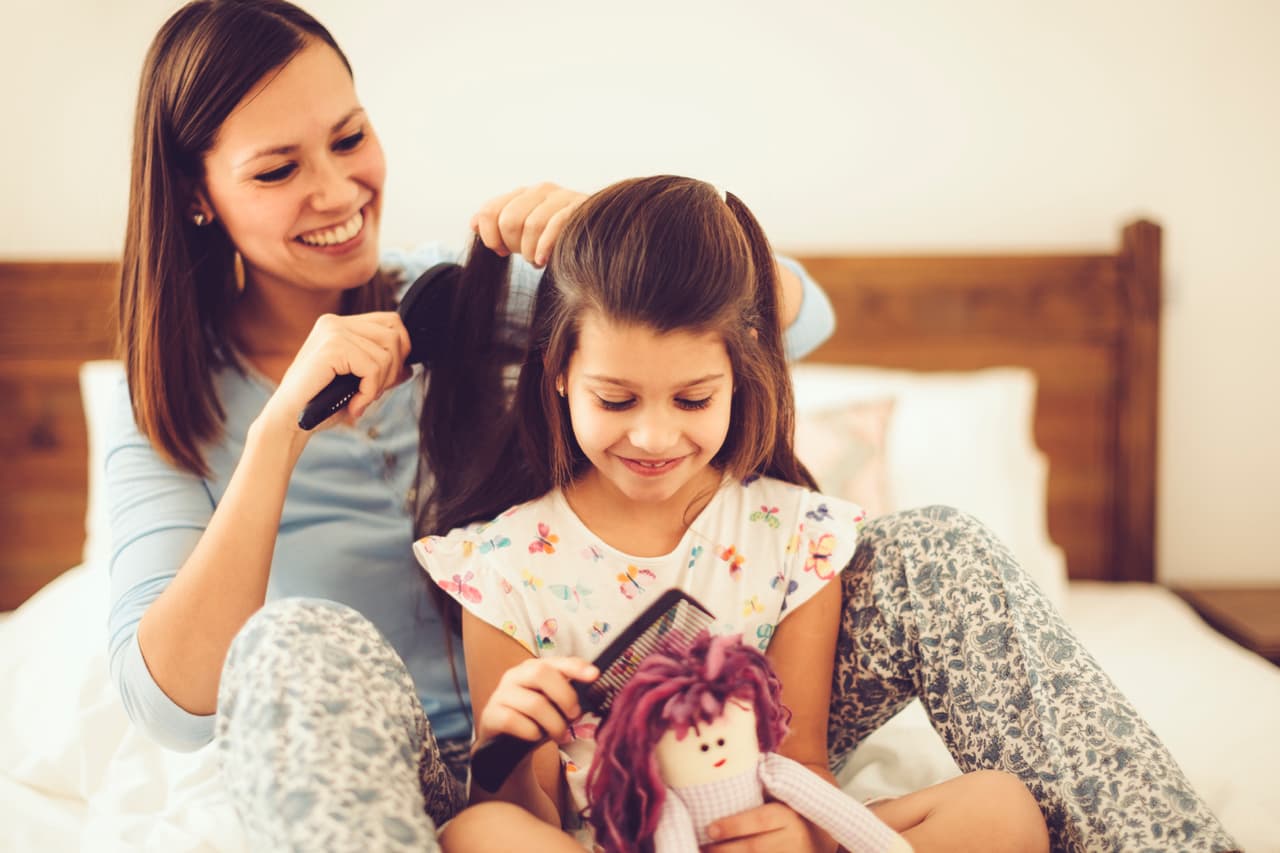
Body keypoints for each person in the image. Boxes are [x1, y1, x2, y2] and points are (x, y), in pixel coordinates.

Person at [107, 1, 836, 850]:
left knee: (929, 552)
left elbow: (798, 314)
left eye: (349, 139)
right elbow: (170, 705)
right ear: (197, 193)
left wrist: (613, 235)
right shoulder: (169, 397)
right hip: (377, 769)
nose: (338, 191)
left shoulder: (467, 294)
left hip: (598, 749)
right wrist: (279, 434)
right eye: (277, 171)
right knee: (291, 637)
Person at [415, 175, 1050, 852]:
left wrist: (800, 834)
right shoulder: (501, 566)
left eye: (691, 400)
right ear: (560, 373)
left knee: (1000, 810)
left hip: (747, 833)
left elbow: (801, 760)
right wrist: (503, 744)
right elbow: (531, 818)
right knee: (480, 832)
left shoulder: (794, 538)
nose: (655, 438)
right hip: (602, 841)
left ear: (739, 375)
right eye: (616, 400)